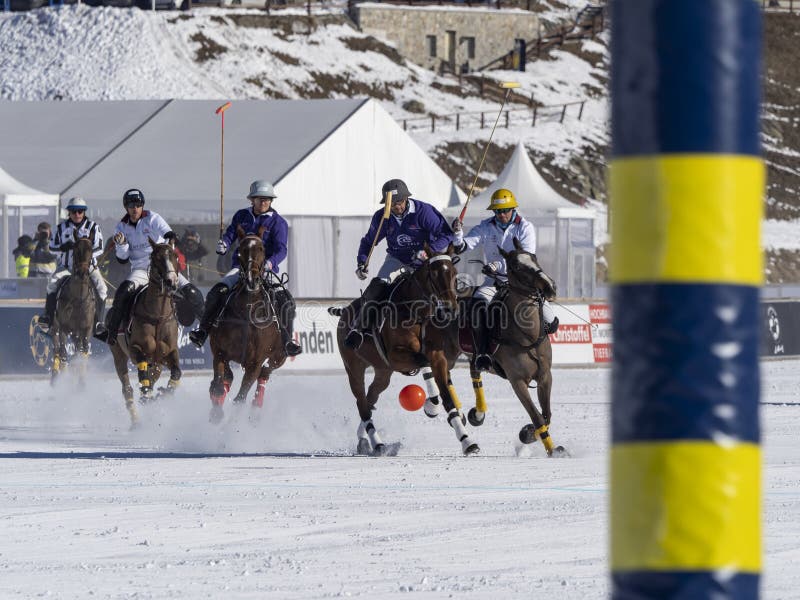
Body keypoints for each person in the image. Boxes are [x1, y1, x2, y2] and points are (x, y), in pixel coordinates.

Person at [189, 180, 302, 357]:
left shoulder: (279, 223)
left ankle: (287, 340)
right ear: (252, 200)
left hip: (266, 270)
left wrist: (270, 263)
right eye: (259, 199)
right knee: (216, 292)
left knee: (286, 301)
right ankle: (203, 331)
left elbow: (282, 249)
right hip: (240, 268)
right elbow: (230, 234)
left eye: (267, 199)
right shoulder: (242, 215)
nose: (263, 202)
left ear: (271, 201)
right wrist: (224, 244)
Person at [452, 188, 558, 371]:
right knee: (478, 304)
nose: (501, 214)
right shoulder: (485, 226)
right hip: (493, 282)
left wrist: (497, 265)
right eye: (497, 211)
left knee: (552, 322)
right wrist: (457, 234)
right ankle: (483, 353)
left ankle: (539, 353)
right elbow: (462, 247)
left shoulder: (525, 227)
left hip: (522, 283)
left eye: (505, 210)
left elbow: (525, 259)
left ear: (513, 209)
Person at [345, 178, 453, 350]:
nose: (398, 206)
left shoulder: (424, 212)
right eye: (393, 204)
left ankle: (451, 325)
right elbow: (368, 242)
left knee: (442, 284)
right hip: (397, 259)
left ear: (407, 198)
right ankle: (359, 328)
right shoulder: (382, 217)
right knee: (376, 285)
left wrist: (429, 250)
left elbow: (447, 234)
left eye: (400, 202)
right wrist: (362, 263)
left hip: (423, 261)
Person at [94, 189, 205, 346]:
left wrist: (170, 238)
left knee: (192, 292)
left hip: (162, 265)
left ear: (142, 206)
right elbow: (122, 259)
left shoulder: (152, 217)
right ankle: (111, 333)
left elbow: (167, 232)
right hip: (141, 269)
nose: (135, 209)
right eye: (132, 205)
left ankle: (206, 330)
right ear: (126, 207)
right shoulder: (121, 227)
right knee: (123, 291)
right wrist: (122, 244)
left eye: (138, 205)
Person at [37, 197, 106, 333]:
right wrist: (63, 248)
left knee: (102, 287)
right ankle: (48, 317)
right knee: (52, 283)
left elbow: (100, 247)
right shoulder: (60, 228)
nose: (77, 215)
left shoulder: (93, 227)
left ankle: (99, 322)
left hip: (88, 267)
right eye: (73, 212)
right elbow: (51, 247)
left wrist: (86, 254)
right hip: (67, 267)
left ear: (84, 212)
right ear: (69, 212)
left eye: (80, 211)